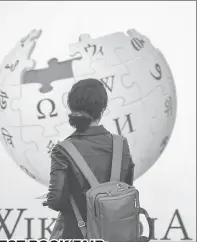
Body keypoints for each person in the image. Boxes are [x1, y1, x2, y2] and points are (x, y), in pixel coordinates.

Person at [44, 78, 135, 239]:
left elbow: (56, 200)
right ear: (103, 107)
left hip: (76, 234)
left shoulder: (62, 150)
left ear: (71, 107)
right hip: (116, 236)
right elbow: (125, 188)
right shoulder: (122, 145)